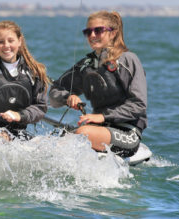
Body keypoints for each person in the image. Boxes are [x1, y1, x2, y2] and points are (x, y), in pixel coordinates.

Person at [49, 11, 147, 157]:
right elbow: (54, 91)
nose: (92, 35)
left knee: (83, 132)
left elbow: (139, 104)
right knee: (56, 137)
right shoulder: (86, 65)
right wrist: (68, 97)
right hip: (98, 129)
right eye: (88, 32)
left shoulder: (128, 60)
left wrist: (103, 117)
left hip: (127, 133)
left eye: (98, 30)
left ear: (113, 33)